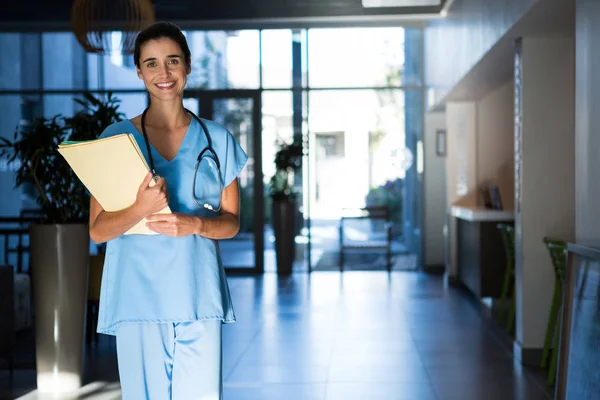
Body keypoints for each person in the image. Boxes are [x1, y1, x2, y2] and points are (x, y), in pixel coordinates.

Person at [89, 21, 247, 400]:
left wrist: (194, 223)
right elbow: (97, 230)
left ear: (187, 66)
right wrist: (140, 208)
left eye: (173, 61)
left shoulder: (217, 138)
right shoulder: (116, 138)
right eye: (152, 63)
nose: (164, 73)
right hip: (139, 297)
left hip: (198, 294)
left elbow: (231, 223)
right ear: (140, 71)